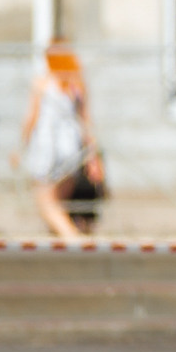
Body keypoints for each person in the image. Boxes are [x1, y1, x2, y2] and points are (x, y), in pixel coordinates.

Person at [20, 39, 102, 240]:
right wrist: (92, 154)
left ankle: (73, 239)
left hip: (47, 145)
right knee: (59, 201)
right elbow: (86, 121)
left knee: (45, 202)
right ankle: (60, 243)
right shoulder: (78, 84)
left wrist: (22, 145)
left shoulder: (43, 82)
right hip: (72, 146)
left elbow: (32, 116)